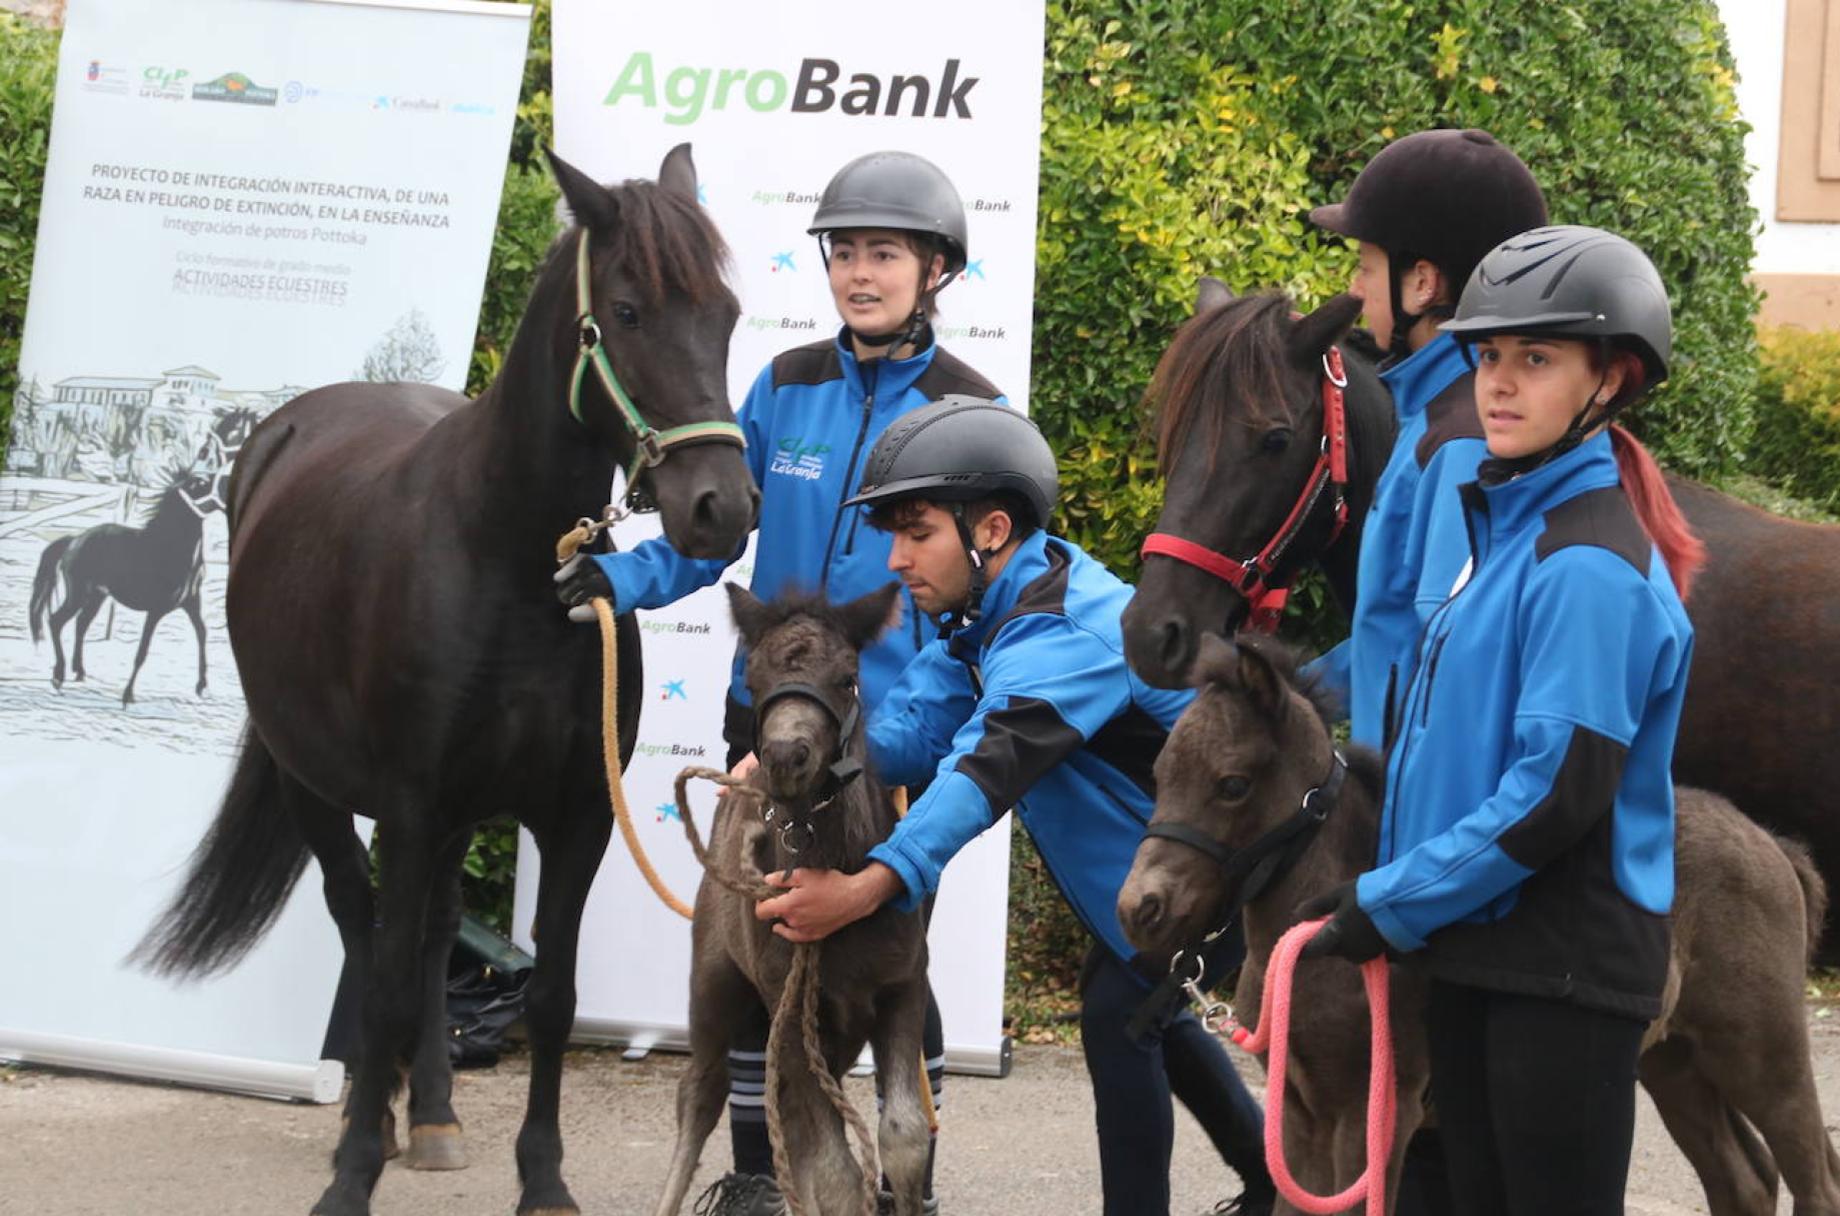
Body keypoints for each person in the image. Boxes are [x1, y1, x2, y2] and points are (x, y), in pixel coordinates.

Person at [553, 149, 1002, 1216]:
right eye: (844, 251)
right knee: (756, 953)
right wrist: (617, 576)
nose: (858, 272)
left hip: (896, 734)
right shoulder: (783, 386)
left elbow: (979, 597)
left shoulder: (969, 409)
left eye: (883, 253)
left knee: (894, 963)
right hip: (766, 719)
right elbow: (710, 537)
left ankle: (909, 1186)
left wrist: (903, 738)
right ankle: (757, 1180)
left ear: (935, 267)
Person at [754, 397, 1277, 1216]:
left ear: (989, 530)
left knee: (1124, 1016)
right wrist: (803, 743)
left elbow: (980, 773)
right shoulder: (974, 625)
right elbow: (905, 738)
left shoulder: (1069, 630)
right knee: (1147, 1005)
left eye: (915, 532)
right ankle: (1269, 1180)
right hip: (1155, 890)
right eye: (891, 533)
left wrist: (868, 887)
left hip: (1241, 871)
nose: (895, 559)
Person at [1295, 226, 1704, 1215]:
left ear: (1607, 381)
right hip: (1479, 947)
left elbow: (1553, 793)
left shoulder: (1587, 565)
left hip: (1560, 970)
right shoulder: (1503, 532)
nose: (1500, 384)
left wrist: (1391, 899)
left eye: (1536, 359)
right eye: (1488, 357)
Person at [1303, 128, 1549, 752]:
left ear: (1422, 284)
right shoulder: (1431, 417)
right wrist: (1287, 694)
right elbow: (1393, 630)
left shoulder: (1461, 442)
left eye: (1365, 267)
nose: (1355, 290)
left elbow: (1446, 665)